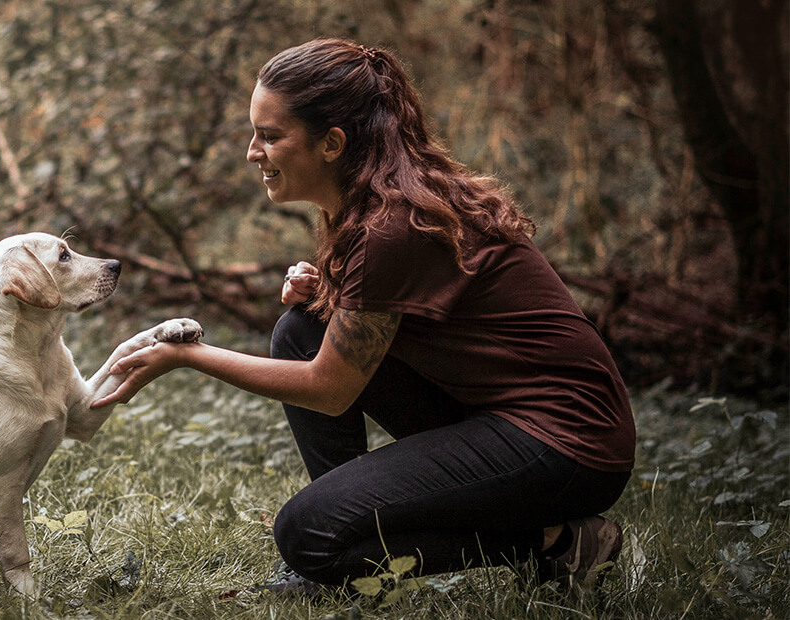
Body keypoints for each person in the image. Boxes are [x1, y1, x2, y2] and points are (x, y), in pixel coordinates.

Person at [92, 38, 635, 592]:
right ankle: (353, 552)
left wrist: (189, 357)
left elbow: (329, 389)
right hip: (498, 414)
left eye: (271, 135)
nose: (253, 151)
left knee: (307, 535)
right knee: (303, 329)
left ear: (332, 143)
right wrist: (329, 289)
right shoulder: (372, 206)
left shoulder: (390, 226)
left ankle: (558, 543)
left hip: (568, 444)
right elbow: (387, 320)